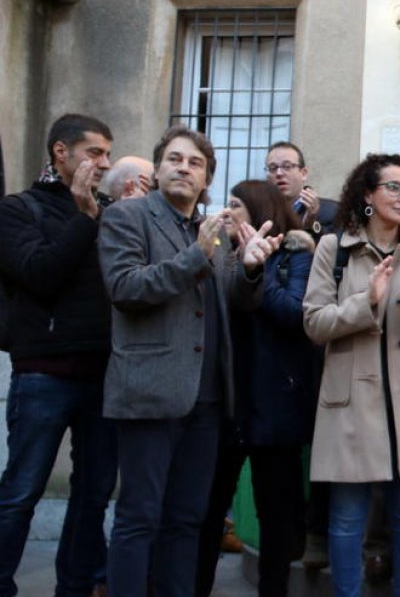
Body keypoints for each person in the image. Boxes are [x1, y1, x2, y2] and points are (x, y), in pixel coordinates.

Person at [99, 125, 277, 597]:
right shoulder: (128, 218)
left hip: (208, 400)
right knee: (139, 519)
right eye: (174, 159)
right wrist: (197, 254)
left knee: (188, 520)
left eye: (195, 163)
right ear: (157, 170)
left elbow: (230, 301)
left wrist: (251, 270)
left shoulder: (212, 232)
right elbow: (126, 288)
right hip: (151, 392)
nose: (184, 168)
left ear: (206, 180)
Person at [301, 154, 400, 597]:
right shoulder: (334, 248)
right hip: (350, 402)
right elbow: (314, 323)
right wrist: (367, 302)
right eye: (393, 188)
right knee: (347, 519)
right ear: (368, 194)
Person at [0, 114, 117, 597]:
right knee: (21, 494)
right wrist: (83, 218)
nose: (104, 164)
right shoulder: (18, 209)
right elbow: (38, 273)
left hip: (105, 376)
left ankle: (75, 587)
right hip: (43, 375)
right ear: (60, 153)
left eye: (109, 155)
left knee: (92, 498)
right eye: (95, 153)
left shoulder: (109, 210)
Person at [195, 180, 320, 597]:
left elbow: (292, 314)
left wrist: (256, 269)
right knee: (209, 510)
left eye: (236, 204)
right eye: (226, 203)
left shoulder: (297, 256)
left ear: (260, 210)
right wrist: (236, 264)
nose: (226, 212)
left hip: (276, 401)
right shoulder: (214, 255)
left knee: (277, 514)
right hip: (225, 399)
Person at [265, 141, 339, 238]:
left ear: (303, 173)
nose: (279, 173)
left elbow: (334, 250)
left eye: (287, 166)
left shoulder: (333, 211)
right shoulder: (260, 213)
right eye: (273, 168)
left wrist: (311, 225)